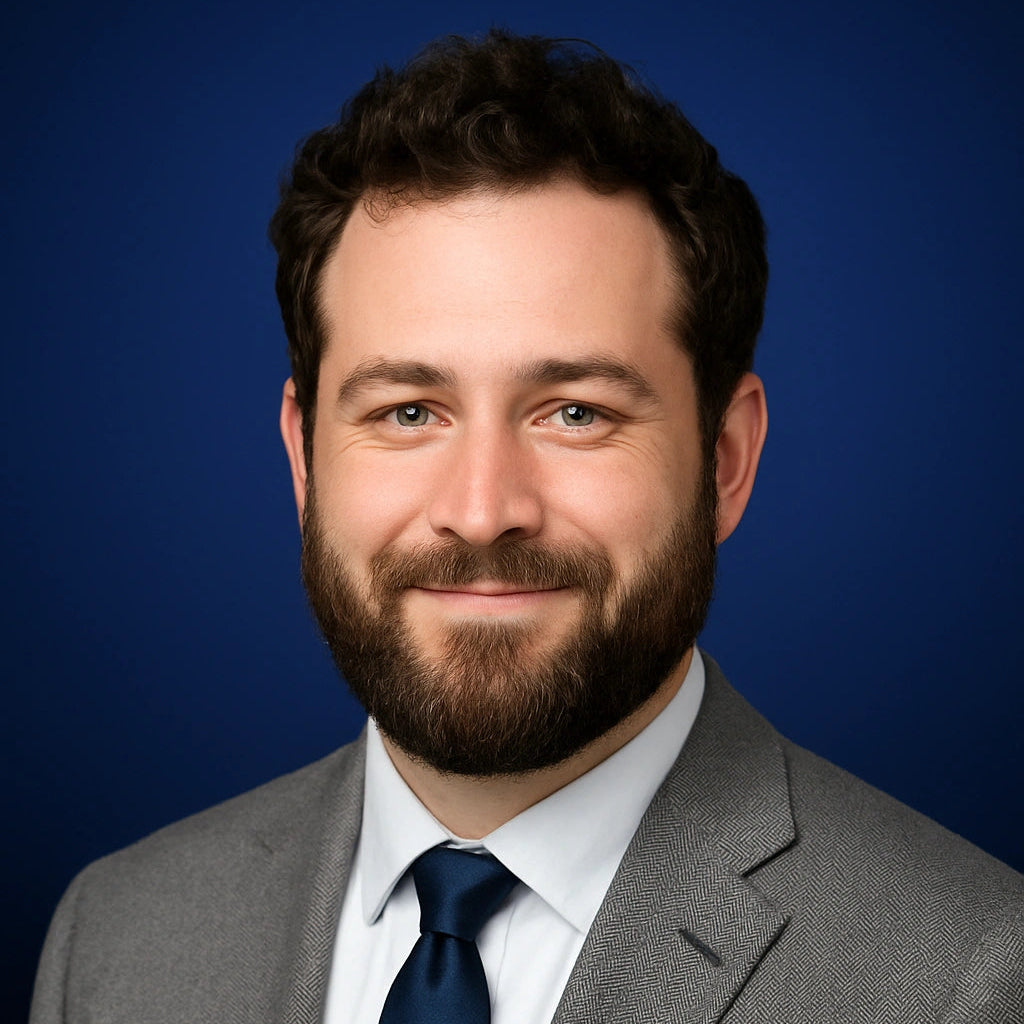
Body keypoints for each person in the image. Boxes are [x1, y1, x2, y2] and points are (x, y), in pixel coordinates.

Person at [30, 29, 1023, 1024]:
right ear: (303, 456)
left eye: (576, 412)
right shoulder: (116, 935)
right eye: (407, 411)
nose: (481, 508)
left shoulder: (966, 975)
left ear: (725, 458)